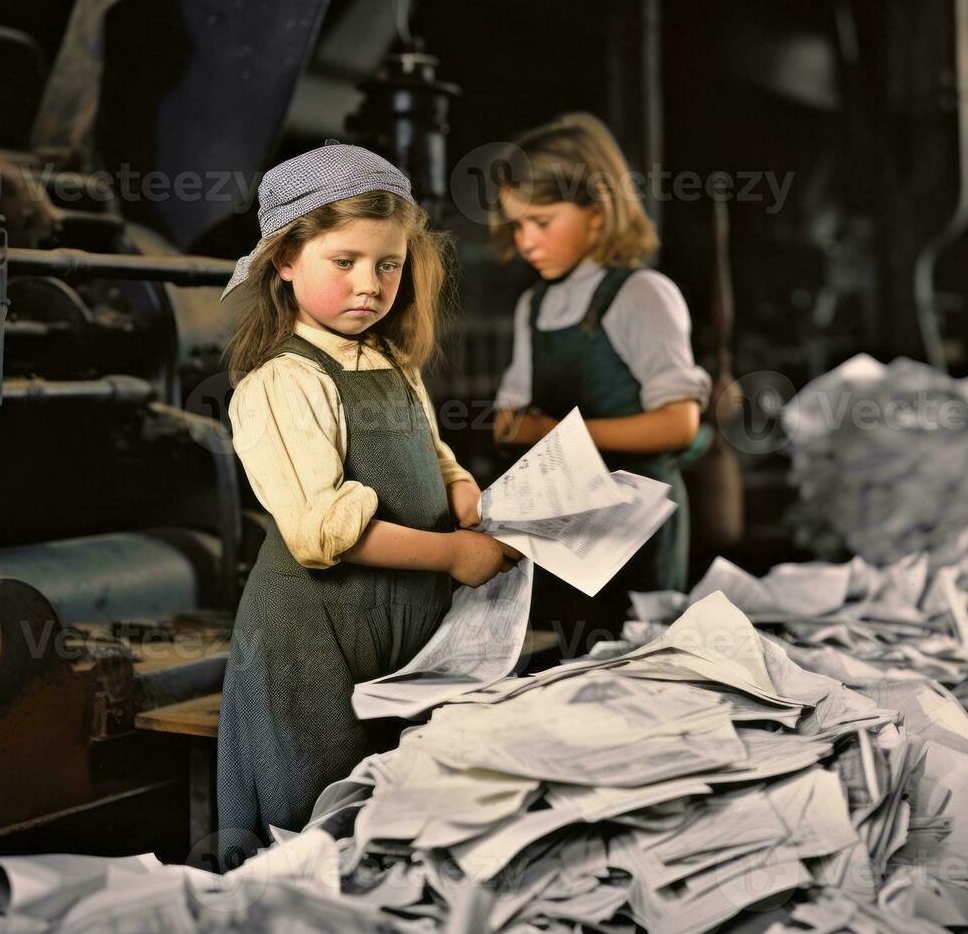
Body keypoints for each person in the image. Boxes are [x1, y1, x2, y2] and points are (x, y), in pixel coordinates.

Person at [216, 143, 521, 860]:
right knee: (317, 816)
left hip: (404, 623)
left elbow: (431, 453)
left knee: (401, 803)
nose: (369, 285)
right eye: (343, 262)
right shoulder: (281, 382)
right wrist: (452, 552)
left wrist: (461, 491)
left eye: (387, 265)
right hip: (315, 635)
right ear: (285, 261)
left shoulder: (391, 361)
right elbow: (323, 531)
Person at [491, 113, 713, 651]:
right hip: (565, 524)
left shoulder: (642, 294)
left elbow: (679, 424)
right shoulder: (533, 305)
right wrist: (517, 428)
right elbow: (509, 419)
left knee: (634, 658)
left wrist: (557, 432)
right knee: (565, 655)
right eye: (517, 226)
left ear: (597, 210)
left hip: (637, 527)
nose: (526, 242)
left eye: (541, 222)